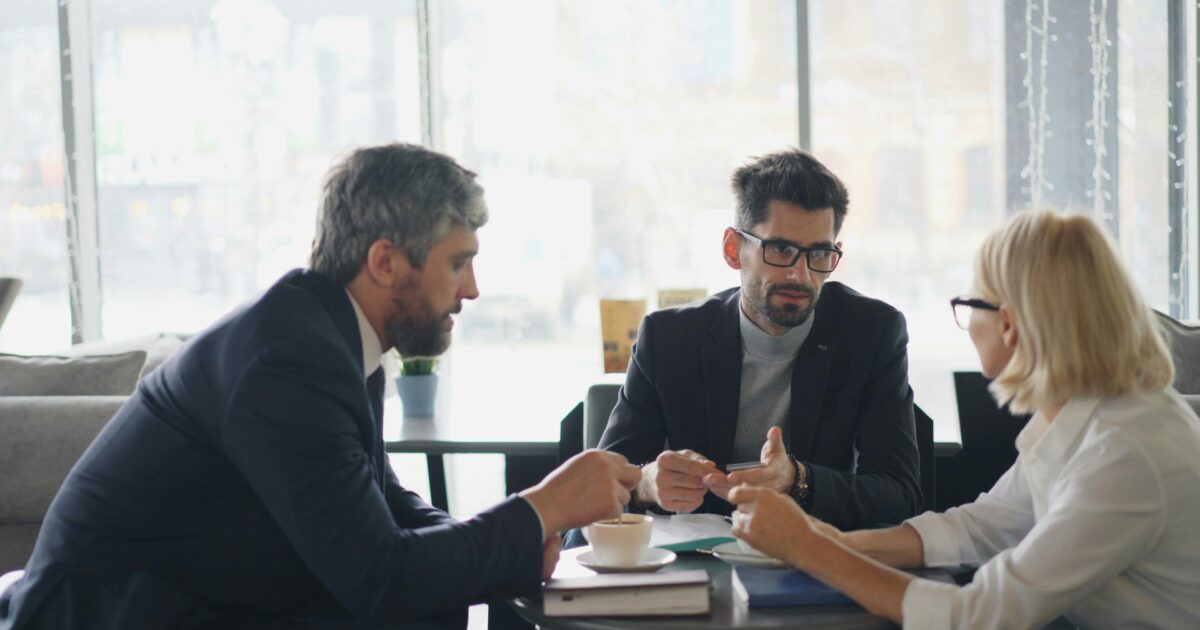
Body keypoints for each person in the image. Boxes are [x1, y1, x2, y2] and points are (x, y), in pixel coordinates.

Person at [0, 144, 641, 629]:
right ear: (385, 261)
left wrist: (511, 540)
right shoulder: (290, 361)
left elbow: (382, 500)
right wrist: (540, 509)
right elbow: (381, 577)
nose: (471, 289)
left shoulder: (327, 334)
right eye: (457, 262)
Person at [728, 210, 1200, 628]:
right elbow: (980, 529)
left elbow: (976, 617)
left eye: (970, 304)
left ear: (1010, 325)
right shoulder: (1084, 420)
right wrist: (821, 537)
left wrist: (808, 549)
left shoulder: (1125, 452)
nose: (967, 321)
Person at [597, 148, 921, 529]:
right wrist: (646, 484)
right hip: (693, 563)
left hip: (811, 562)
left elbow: (901, 495)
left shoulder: (870, 333)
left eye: (818, 253)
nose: (800, 275)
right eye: (781, 249)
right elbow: (603, 489)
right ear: (734, 249)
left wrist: (798, 479)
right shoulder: (668, 339)